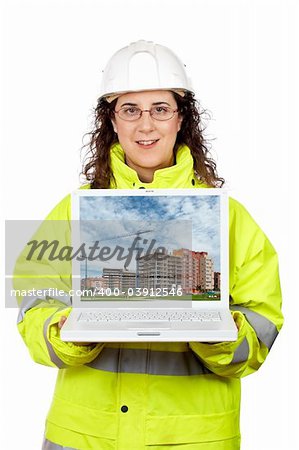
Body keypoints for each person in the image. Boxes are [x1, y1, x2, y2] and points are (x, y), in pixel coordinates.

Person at [15, 40, 283, 450]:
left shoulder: (230, 217)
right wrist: (65, 332)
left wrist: (219, 333)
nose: (146, 126)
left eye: (160, 109)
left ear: (181, 120)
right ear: (112, 121)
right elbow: (33, 301)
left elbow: (262, 329)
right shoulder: (70, 211)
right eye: (130, 110)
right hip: (86, 437)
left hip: (194, 438)